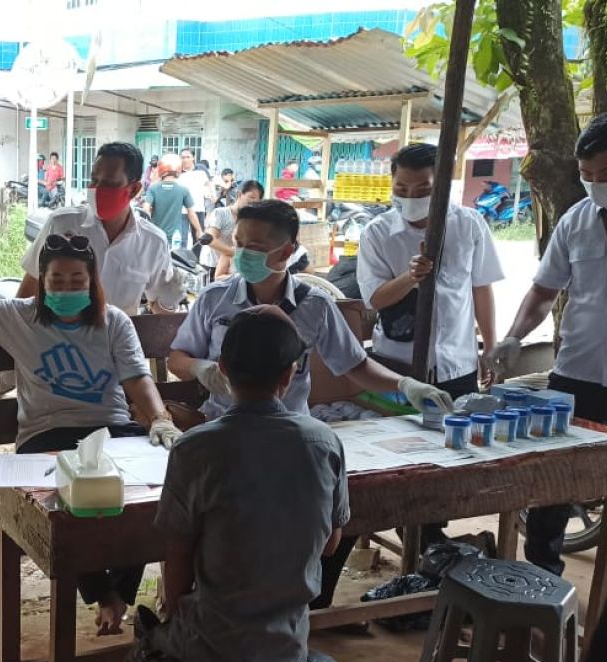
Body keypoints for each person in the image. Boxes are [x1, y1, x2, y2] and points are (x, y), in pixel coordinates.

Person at [99, 306, 348, 662]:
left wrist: (174, 612)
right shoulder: (324, 442)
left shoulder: (197, 449)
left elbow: (178, 554)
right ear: (289, 374)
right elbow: (332, 542)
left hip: (211, 645)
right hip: (285, 642)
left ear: (223, 372)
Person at [167, 199, 452, 608]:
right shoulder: (215, 300)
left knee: (347, 503)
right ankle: (220, 600)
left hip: (290, 436)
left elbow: (355, 366)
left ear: (286, 252)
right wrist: (202, 370)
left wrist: (406, 386)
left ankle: (310, 601)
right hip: (223, 432)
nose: (244, 252)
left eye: (257, 245)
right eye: (240, 242)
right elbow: (177, 358)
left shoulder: (314, 306)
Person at [0, 234, 181, 635]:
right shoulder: (17, 316)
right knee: (65, 505)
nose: (66, 288)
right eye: (56, 281)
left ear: (91, 281)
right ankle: (105, 594)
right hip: (46, 434)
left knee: (141, 498)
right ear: (42, 281)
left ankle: (118, 592)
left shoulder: (113, 321)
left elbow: (137, 378)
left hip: (111, 430)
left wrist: (159, 418)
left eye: (76, 280)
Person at [358, 143, 503, 550]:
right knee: (402, 463)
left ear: (443, 185)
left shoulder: (469, 224)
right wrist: (410, 277)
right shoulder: (378, 233)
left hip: (456, 364)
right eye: (402, 188)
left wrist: (489, 347)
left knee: (448, 457)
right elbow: (374, 299)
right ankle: (428, 545)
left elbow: (480, 289)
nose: (410, 197)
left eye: (422, 189)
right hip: (399, 367)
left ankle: (432, 542)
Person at [488, 113, 607, 576]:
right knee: (554, 478)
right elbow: (543, 291)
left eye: (605, 174)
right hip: (576, 370)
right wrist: (514, 336)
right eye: (588, 176)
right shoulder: (576, 222)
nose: (596, 184)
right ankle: (540, 574)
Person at [19, 142, 183, 315]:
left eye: (109, 183)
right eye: (94, 180)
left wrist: (169, 301)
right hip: (62, 340)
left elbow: (160, 312)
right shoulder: (61, 224)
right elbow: (26, 295)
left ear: (134, 189)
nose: (97, 189)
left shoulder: (152, 243)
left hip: (118, 340)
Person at [201, 179, 264, 279]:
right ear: (239, 194)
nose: (253, 203)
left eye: (257, 201)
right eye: (251, 197)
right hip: (212, 264)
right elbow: (211, 240)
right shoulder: (220, 213)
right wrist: (237, 254)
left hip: (231, 268)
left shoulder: (250, 220)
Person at [144, 154, 203, 247]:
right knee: (173, 260)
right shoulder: (183, 190)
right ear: (178, 170)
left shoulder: (153, 188)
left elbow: (145, 210)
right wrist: (199, 230)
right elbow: (191, 213)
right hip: (175, 238)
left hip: (155, 235)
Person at [176, 149, 211, 248]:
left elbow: (208, 188)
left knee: (198, 238)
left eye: (188, 157)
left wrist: (209, 210)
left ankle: (196, 260)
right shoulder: (177, 173)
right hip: (182, 210)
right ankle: (181, 261)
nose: (185, 159)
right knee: (182, 239)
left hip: (198, 208)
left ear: (193, 158)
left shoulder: (201, 172)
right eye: (183, 157)